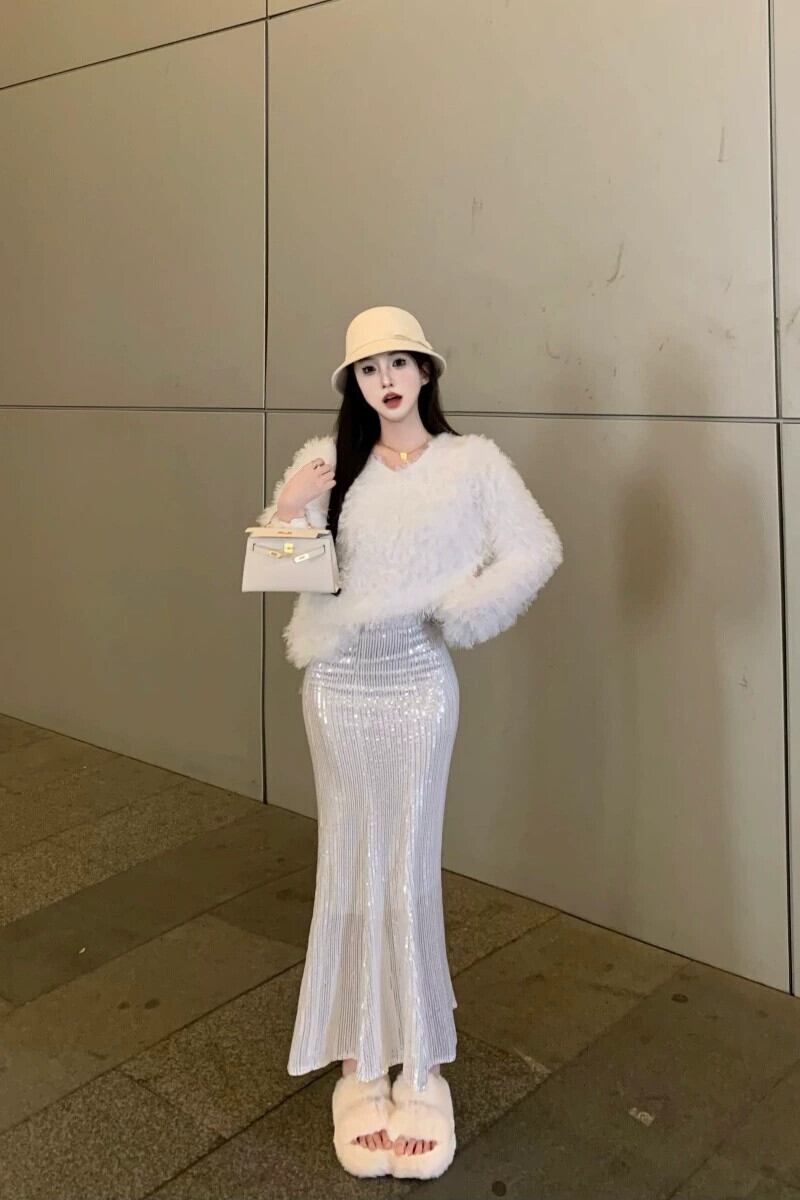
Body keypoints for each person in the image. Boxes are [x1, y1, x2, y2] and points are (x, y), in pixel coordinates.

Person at [255, 306, 563, 1180]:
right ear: (353, 383)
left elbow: (535, 549)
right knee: (348, 863)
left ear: (426, 371)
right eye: (368, 368)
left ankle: (421, 1064)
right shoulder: (330, 462)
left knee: (407, 865)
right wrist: (291, 508)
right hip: (338, 686)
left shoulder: (473, 464)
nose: (385, 380)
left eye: (399, 362)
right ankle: (359, 1062)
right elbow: (289, 580)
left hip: (419, 684)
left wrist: (462, 610)